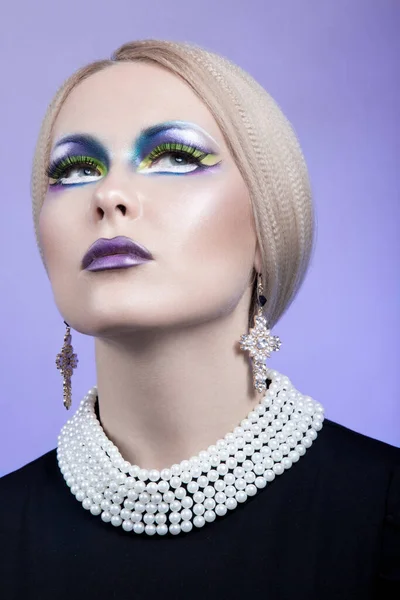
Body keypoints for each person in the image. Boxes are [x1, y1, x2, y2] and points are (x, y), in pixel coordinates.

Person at [0, 39, 398, 600]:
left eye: (175, 157)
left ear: (267, 225)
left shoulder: (382, 512)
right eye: (73, 169)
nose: (110, 194)